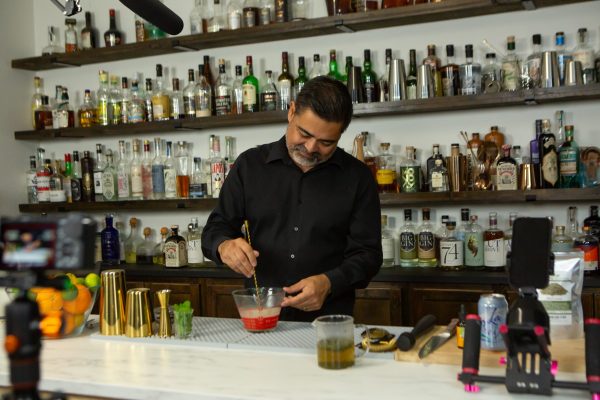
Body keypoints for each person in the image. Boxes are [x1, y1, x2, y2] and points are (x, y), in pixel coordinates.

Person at [201, 76, 382, 322]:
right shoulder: (249, 166)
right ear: (292, 112)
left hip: (329, 322)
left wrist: (329, 282)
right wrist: (224, 246)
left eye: (326, 142)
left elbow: (369, 256)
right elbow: (215, 229)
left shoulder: (358, 177)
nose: (310, 148)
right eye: (304, 133)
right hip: (261, 318)